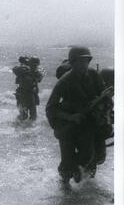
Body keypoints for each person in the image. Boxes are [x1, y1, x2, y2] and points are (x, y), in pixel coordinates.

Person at [46, 46, 113, 184]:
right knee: (71, 161)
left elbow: (103, 97)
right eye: (80, 61)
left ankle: (88, 189)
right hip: (68, 125)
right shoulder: (64, 82)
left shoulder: (93, 75)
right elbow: (50, 108)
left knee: (98, 156)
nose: (84, 65)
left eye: (86, 61)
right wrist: (70, 117)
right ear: (73, 62)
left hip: (90, 121)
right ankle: (65, 187)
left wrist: (106, 102)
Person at [13, 56, 43, 120]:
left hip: (31, 95)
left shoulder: (36, 73)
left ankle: (29, 129)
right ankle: (19, 128)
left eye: (36, 65)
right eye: (33, 64)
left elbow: (40, 78)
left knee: (33, 116)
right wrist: (24, 66)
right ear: (30, 64)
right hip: (22, 95)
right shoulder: (23, 70)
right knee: (23, 116)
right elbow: (14, 69)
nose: (35, 66)